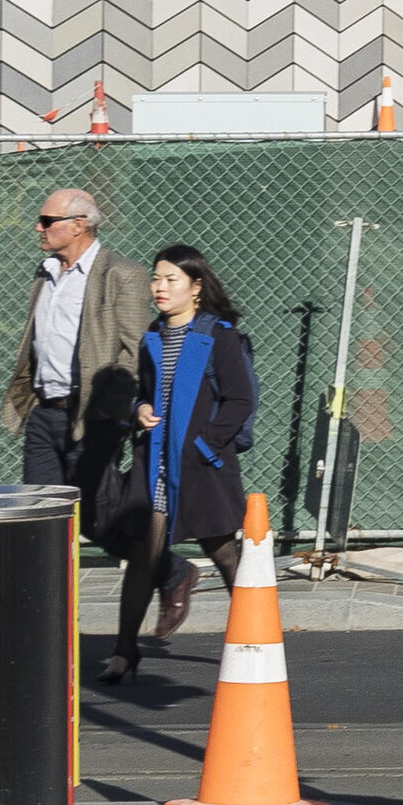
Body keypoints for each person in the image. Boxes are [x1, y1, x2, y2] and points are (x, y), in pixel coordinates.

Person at [101, 246, 259, 686]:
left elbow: (240, 400)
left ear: (196, 288)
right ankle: (124, 652)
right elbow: (147, 393)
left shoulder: (219, 336)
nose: (159, 288)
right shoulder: (154, 335)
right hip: (155, 466)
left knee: (223, 552)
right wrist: (139, 409)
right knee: (142, 558)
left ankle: (259, 642)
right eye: (156, 279)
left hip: (203, 466)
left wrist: (207, 445)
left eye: (171, 280)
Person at [4, 187, 143, 492]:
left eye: (46, 220)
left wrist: (105, 409)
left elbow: (134, 350)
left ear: (78, 226)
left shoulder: (120, 274)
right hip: (43, 413)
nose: (38, 227)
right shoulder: (46, 272)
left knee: (93, 514)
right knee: (42, 511)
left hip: (91, 416)